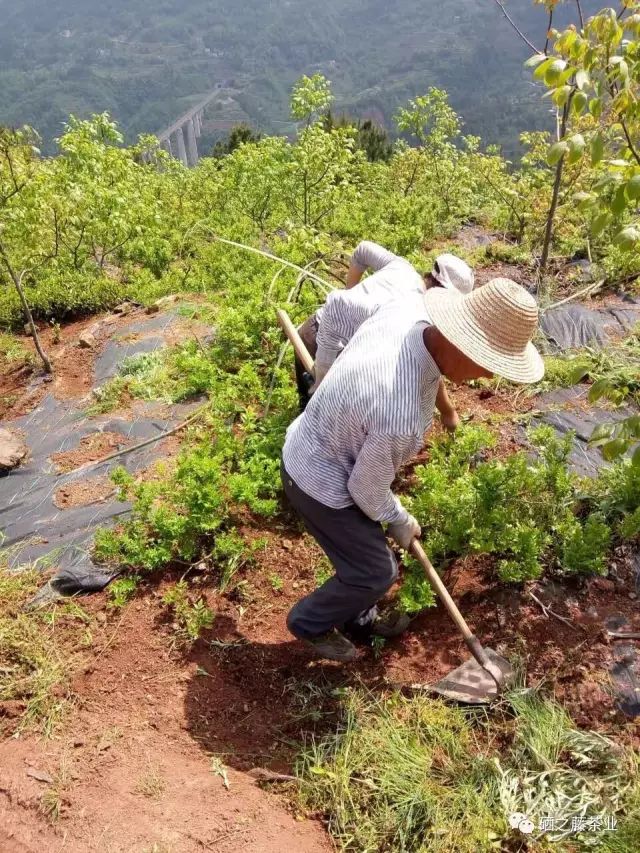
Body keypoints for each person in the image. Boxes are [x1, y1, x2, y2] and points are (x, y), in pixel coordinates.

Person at [281, 278, 544, 662]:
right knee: (376, 571)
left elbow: (335, 307)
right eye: (489, 364)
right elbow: (366, 491)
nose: (489, 377)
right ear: (460, 343)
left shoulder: (408, 310)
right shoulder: (400, 416)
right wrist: (398, 517)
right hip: (316, 481)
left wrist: (326, 376)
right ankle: (309, 622)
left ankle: (358, 616)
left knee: (368, 546)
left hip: (315, 442)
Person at [294, 241, 474, 431]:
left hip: (309, 330)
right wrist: (448, 412)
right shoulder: (416, 315)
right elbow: (429, 368)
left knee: (310, 411)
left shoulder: (402, 267)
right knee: (322, 425)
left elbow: (362, 250)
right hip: (329, 348)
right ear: (444, 294)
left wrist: (351, 292)